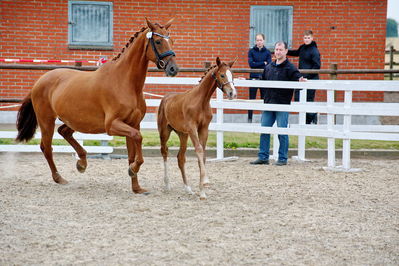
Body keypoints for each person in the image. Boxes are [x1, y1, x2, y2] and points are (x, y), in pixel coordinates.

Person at [250, 41, 306, 166]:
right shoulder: (269, 67)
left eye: (281, 50)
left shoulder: (290, 68)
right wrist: (249, 81)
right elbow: (261, 81)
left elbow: (298, 80)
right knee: (264, 130)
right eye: (276, 49)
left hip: (282, 104)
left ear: (286, 51)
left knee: (282, 131)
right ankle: (263, 156)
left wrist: (300, 80)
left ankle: (282, 158)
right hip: (269, 103)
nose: (278, 52)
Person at [287, 30, 321, 124]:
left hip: (311, 79)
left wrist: (308, 76)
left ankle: (310, 118)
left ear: (312, 38)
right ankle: (311, 116)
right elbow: (296, 53)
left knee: (308, 100)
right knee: (298, 99)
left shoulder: (314, 51)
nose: (306, 40)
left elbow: (317, 66)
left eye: (308, 38)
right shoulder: (302, 47)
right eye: (305, 38)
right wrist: (285, 51)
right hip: (302, 79)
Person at [247, 33, 272, 123]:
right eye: (257, 40)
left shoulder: (267, 52)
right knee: (251, 100)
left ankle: (264, 119)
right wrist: (263, 63)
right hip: (253, 77)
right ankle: (249, 119)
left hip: (264, 78)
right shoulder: (251, 51)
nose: (259, 42)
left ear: (264, 41)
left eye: (260, 40)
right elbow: (251, 64)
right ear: (255, 41)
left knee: (264, 99)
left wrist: (260, 64)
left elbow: (269, 64)